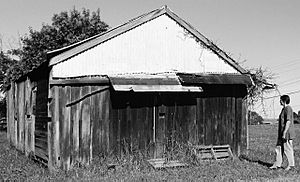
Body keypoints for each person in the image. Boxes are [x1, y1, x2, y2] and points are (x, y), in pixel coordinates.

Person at [270, 95, 295, 171]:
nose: (279, 101)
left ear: (284, 101)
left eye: (280, 100)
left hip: (286, 133)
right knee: (278, 148)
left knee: (287, 149)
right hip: (281, 133)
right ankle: (277, 164)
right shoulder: (283, 109)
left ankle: (291, 165)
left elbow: (288, 121)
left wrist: (284, 133)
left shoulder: (288, 108)